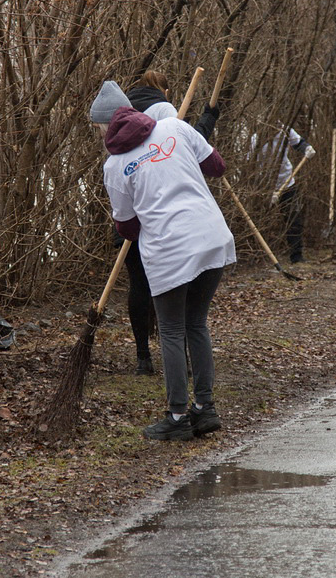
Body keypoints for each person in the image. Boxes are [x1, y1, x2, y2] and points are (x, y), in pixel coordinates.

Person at [91, 81, 233, 442]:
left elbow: (126, 226)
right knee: (196, 324)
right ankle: (205, 409)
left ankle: (177, 416)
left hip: (170, 249)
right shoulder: (175, 128)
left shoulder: (114, 166)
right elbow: (216, 166)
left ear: (107, 125)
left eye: (97, 129)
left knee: (171, 330)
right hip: (211, 237)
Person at [248, 126, 316, 264]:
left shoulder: (284, 130)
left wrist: (307, 148)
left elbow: (298, 143)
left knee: (293, 218)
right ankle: (258, 256)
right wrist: (265, 191)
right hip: (265, 185)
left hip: (287, 183)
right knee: (261, 222)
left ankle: (296, 256)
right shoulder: (255, 139)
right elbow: (250, 165)